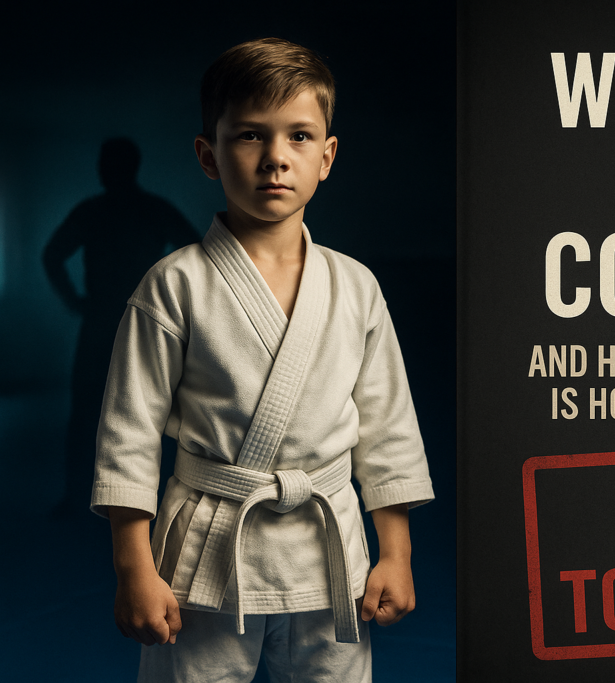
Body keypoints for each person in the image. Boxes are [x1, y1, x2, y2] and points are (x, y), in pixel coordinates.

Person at [90, 38, 434, 682]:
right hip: (205, 553)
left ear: (327, 156)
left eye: (299, 136)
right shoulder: (173, 284)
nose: (276, 158)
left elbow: (390, 427)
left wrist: (397, 552)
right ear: (208, 154)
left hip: (329, 552)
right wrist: (134, 566)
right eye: (250, 135)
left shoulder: (355, 286)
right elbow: (127, 435)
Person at [43, 137, 197, 518]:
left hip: (113, 320)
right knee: (153, 411)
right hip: (143, 321)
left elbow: (52, 255)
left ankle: (83, 496)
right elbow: (198, 252)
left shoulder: (94, 212)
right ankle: (154, 499)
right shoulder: (151, 209)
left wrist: (74, 299)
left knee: (100, 412)